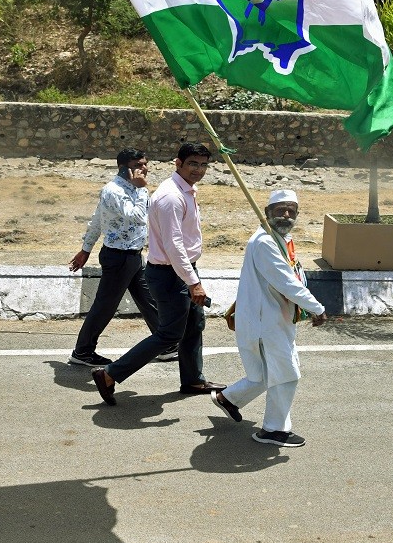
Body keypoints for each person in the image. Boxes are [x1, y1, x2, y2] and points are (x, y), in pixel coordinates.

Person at [92, 142, 224, 405]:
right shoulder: (170, 197)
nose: (198, 170)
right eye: (193, 164)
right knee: (170, 334)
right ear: (178, 163)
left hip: (182, 271)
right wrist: (193, 282)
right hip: (169, 274)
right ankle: (109, 374)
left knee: (194, 324)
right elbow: (174, 245)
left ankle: (193, 379)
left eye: (203, 164)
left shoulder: (186, 190)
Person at [209, 190, 326, 448]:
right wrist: (316, 308)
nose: (286, 215)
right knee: (286, 375)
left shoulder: (282, 238)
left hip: (273, 319)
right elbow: (286, 282)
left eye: (291, 211)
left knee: (263, 375)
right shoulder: (264, 243)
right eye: (280, 209)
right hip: (265, 323)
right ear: (266, 212)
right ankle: (274, 430)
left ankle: (228, 399)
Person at [68, 148, 175, 367]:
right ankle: (82, 351)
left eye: (144, 164)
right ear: (123, 167)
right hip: (118, 258)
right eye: (138, 165)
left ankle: (166, 345)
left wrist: (85, 249)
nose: (143, 168)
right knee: (105, 306)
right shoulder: (113, 191)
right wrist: (142, 191)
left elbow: (97, 220)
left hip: (133, 256)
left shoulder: (132, 189)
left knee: (148, 299)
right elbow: (136, 217)